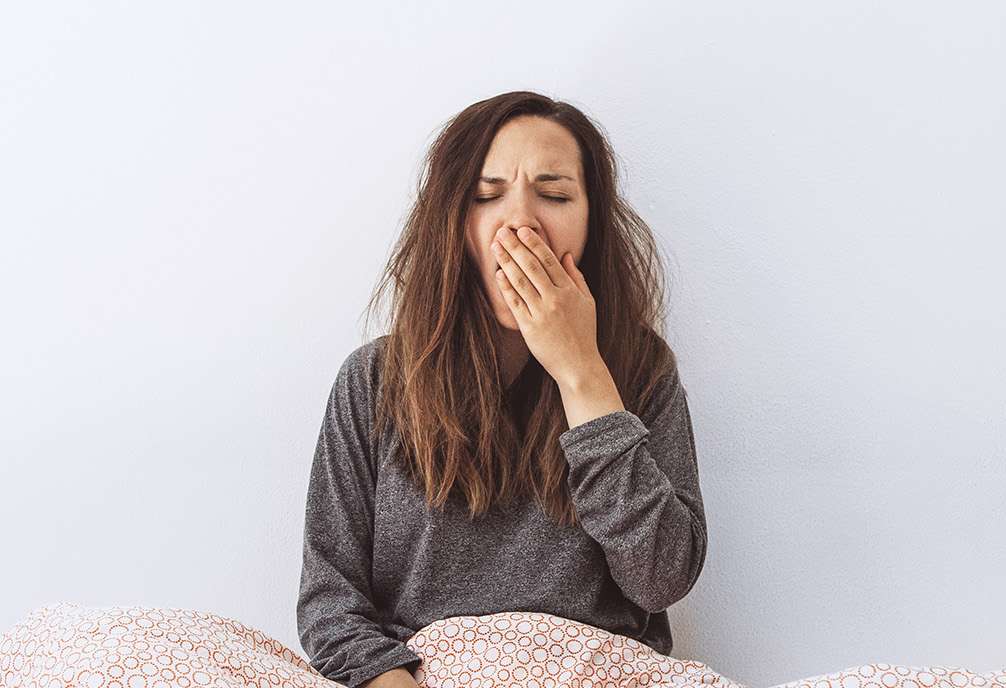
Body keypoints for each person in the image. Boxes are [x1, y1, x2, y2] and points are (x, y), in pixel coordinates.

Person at [295, 90, 708, 688]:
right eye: (486, 196)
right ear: (453, 224)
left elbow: (662, 577)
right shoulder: (374, 380)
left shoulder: (641, 371)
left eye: (555, 195)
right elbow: (331, 605)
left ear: (592, 221)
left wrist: (582, 373)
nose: (520, 223)